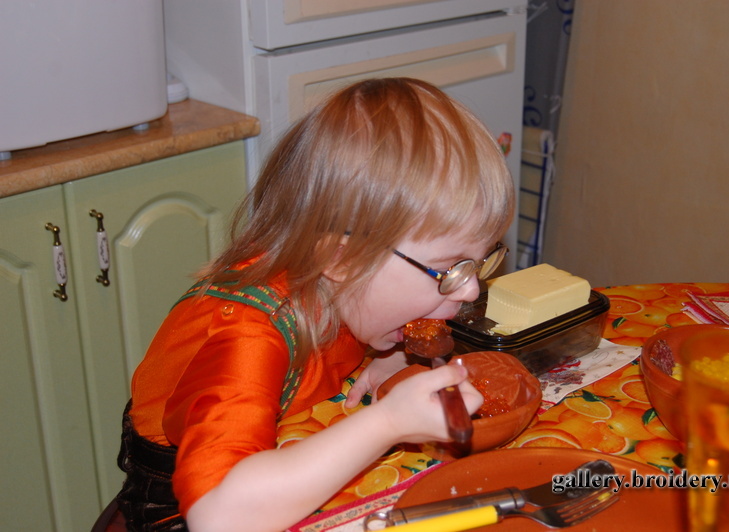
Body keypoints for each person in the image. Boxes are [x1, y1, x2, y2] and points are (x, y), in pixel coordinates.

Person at [115, 77, 515, 532]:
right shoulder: (248, 334)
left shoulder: (347, 292)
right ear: (341, 260)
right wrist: (388, 422)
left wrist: (389, 356)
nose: (470, 291)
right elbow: (219, 517)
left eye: (479, 263)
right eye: (449, 269)